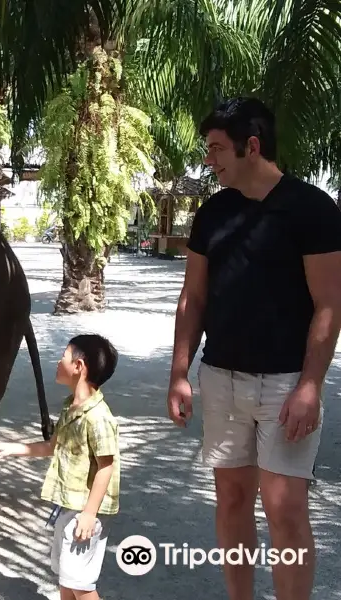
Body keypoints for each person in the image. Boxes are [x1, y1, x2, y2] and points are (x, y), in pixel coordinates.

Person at [167, 97, 341, 600]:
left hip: (287, 384)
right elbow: (192, 296)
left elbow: (330, 303)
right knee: (233, 503)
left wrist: (311, 385)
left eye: (218, 148)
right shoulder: (213, 213)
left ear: (253, 146)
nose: (209, 159)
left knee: (286, 512)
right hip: (221, 380)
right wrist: (180, 372)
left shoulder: (311, 209)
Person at [0, 334, 120, 600]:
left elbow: (106, 466)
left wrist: (89, 514)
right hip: (68, 505)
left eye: (64, 355)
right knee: (67, 577)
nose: (59, 361)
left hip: (85, 511)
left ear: (79, 367)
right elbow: (51, 447)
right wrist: (12, 449)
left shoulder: (98, 417)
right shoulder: (69, 408)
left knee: (81, 586)